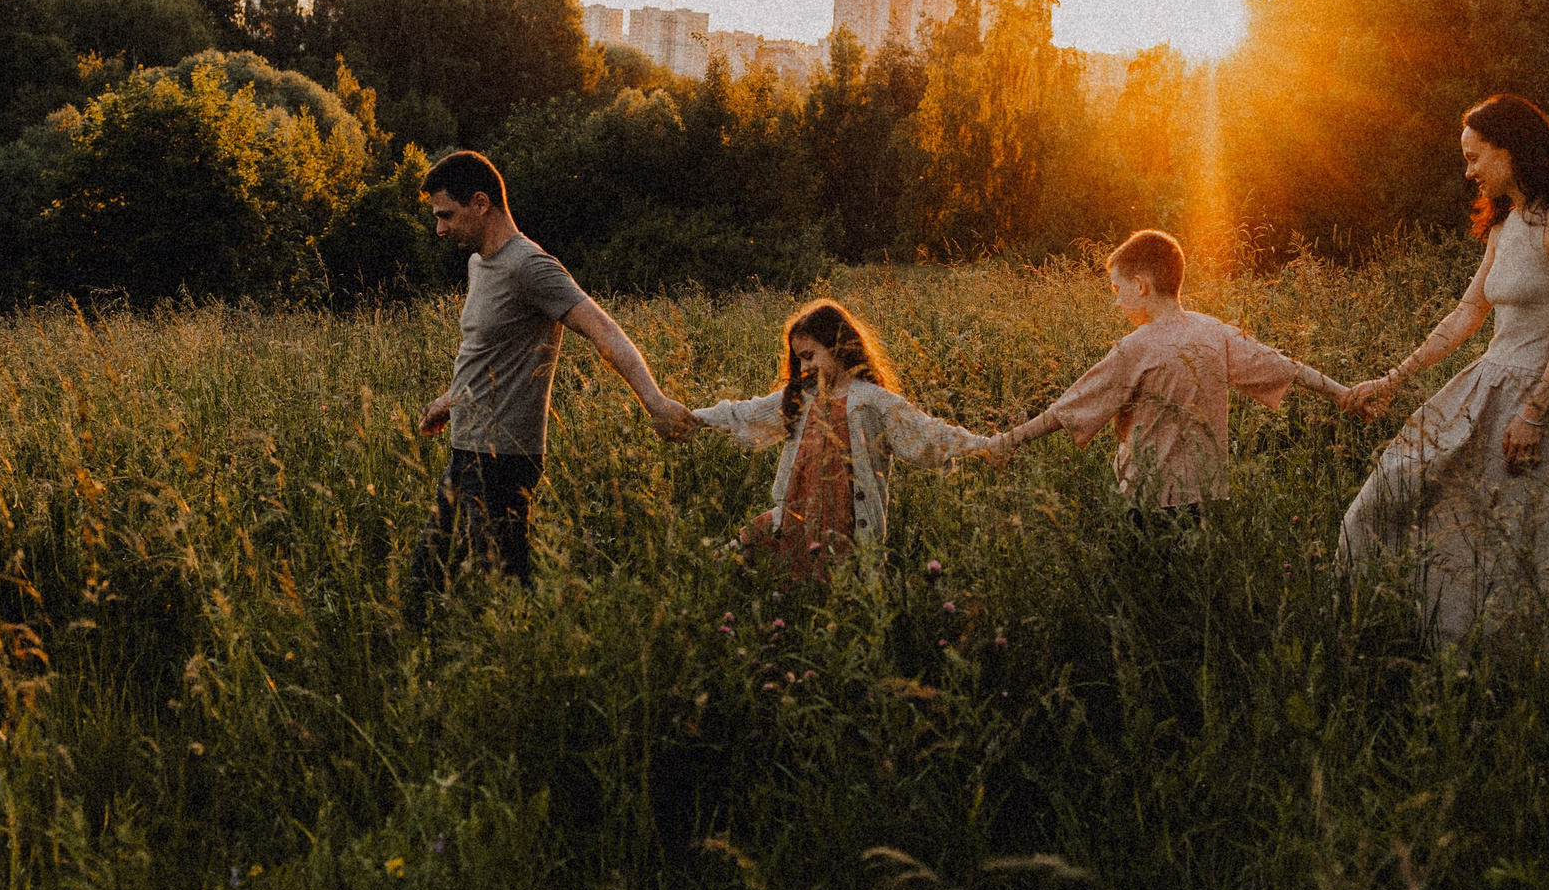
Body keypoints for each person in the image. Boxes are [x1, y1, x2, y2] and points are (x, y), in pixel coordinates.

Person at [1338, 94, 1549, 656]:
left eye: (1475, 157)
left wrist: (1534, 413)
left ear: (1511, 150)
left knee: (1519, 537)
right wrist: (1392, 379)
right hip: (1483, 385)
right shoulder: (1504, 225)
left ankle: (1521, 675)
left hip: (1532, 404)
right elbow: (1467, 314)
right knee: (1384, 502)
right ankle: (1425, 641)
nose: (1469, 171)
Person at [408, 149, 693, 609]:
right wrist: (450, 399)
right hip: (468, 448)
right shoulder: (479, 263)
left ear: (480, 203)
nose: (439, 228)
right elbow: (490, 353)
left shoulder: (531, 267)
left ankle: (531, 663)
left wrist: (655, 402)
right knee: (428, 580)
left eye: (446, 215)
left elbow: (603, 328)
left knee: (501, 589)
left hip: (504, 458)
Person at [986, 230, 1354, 511]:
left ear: (1141, 285)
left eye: (1117, 289)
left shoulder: (1135, 348)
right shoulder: (1217, 333)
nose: (1116, 303)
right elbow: (1288, 368)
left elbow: (1066, 408)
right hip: (1206, 500)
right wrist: (1344, 394)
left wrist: (1009, 440)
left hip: (1147, 504)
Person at [690, 299, 996, 580]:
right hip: (796, 522)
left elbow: (930, 433)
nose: (805, 367)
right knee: (737, 562)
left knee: (836, 593)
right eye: (799, 360)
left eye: (809, 356)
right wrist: (691, 419)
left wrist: (988, 446)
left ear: (836, 346)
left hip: (846, 529)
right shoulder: (802, 398)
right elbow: (744, 413)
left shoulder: (873, 402)